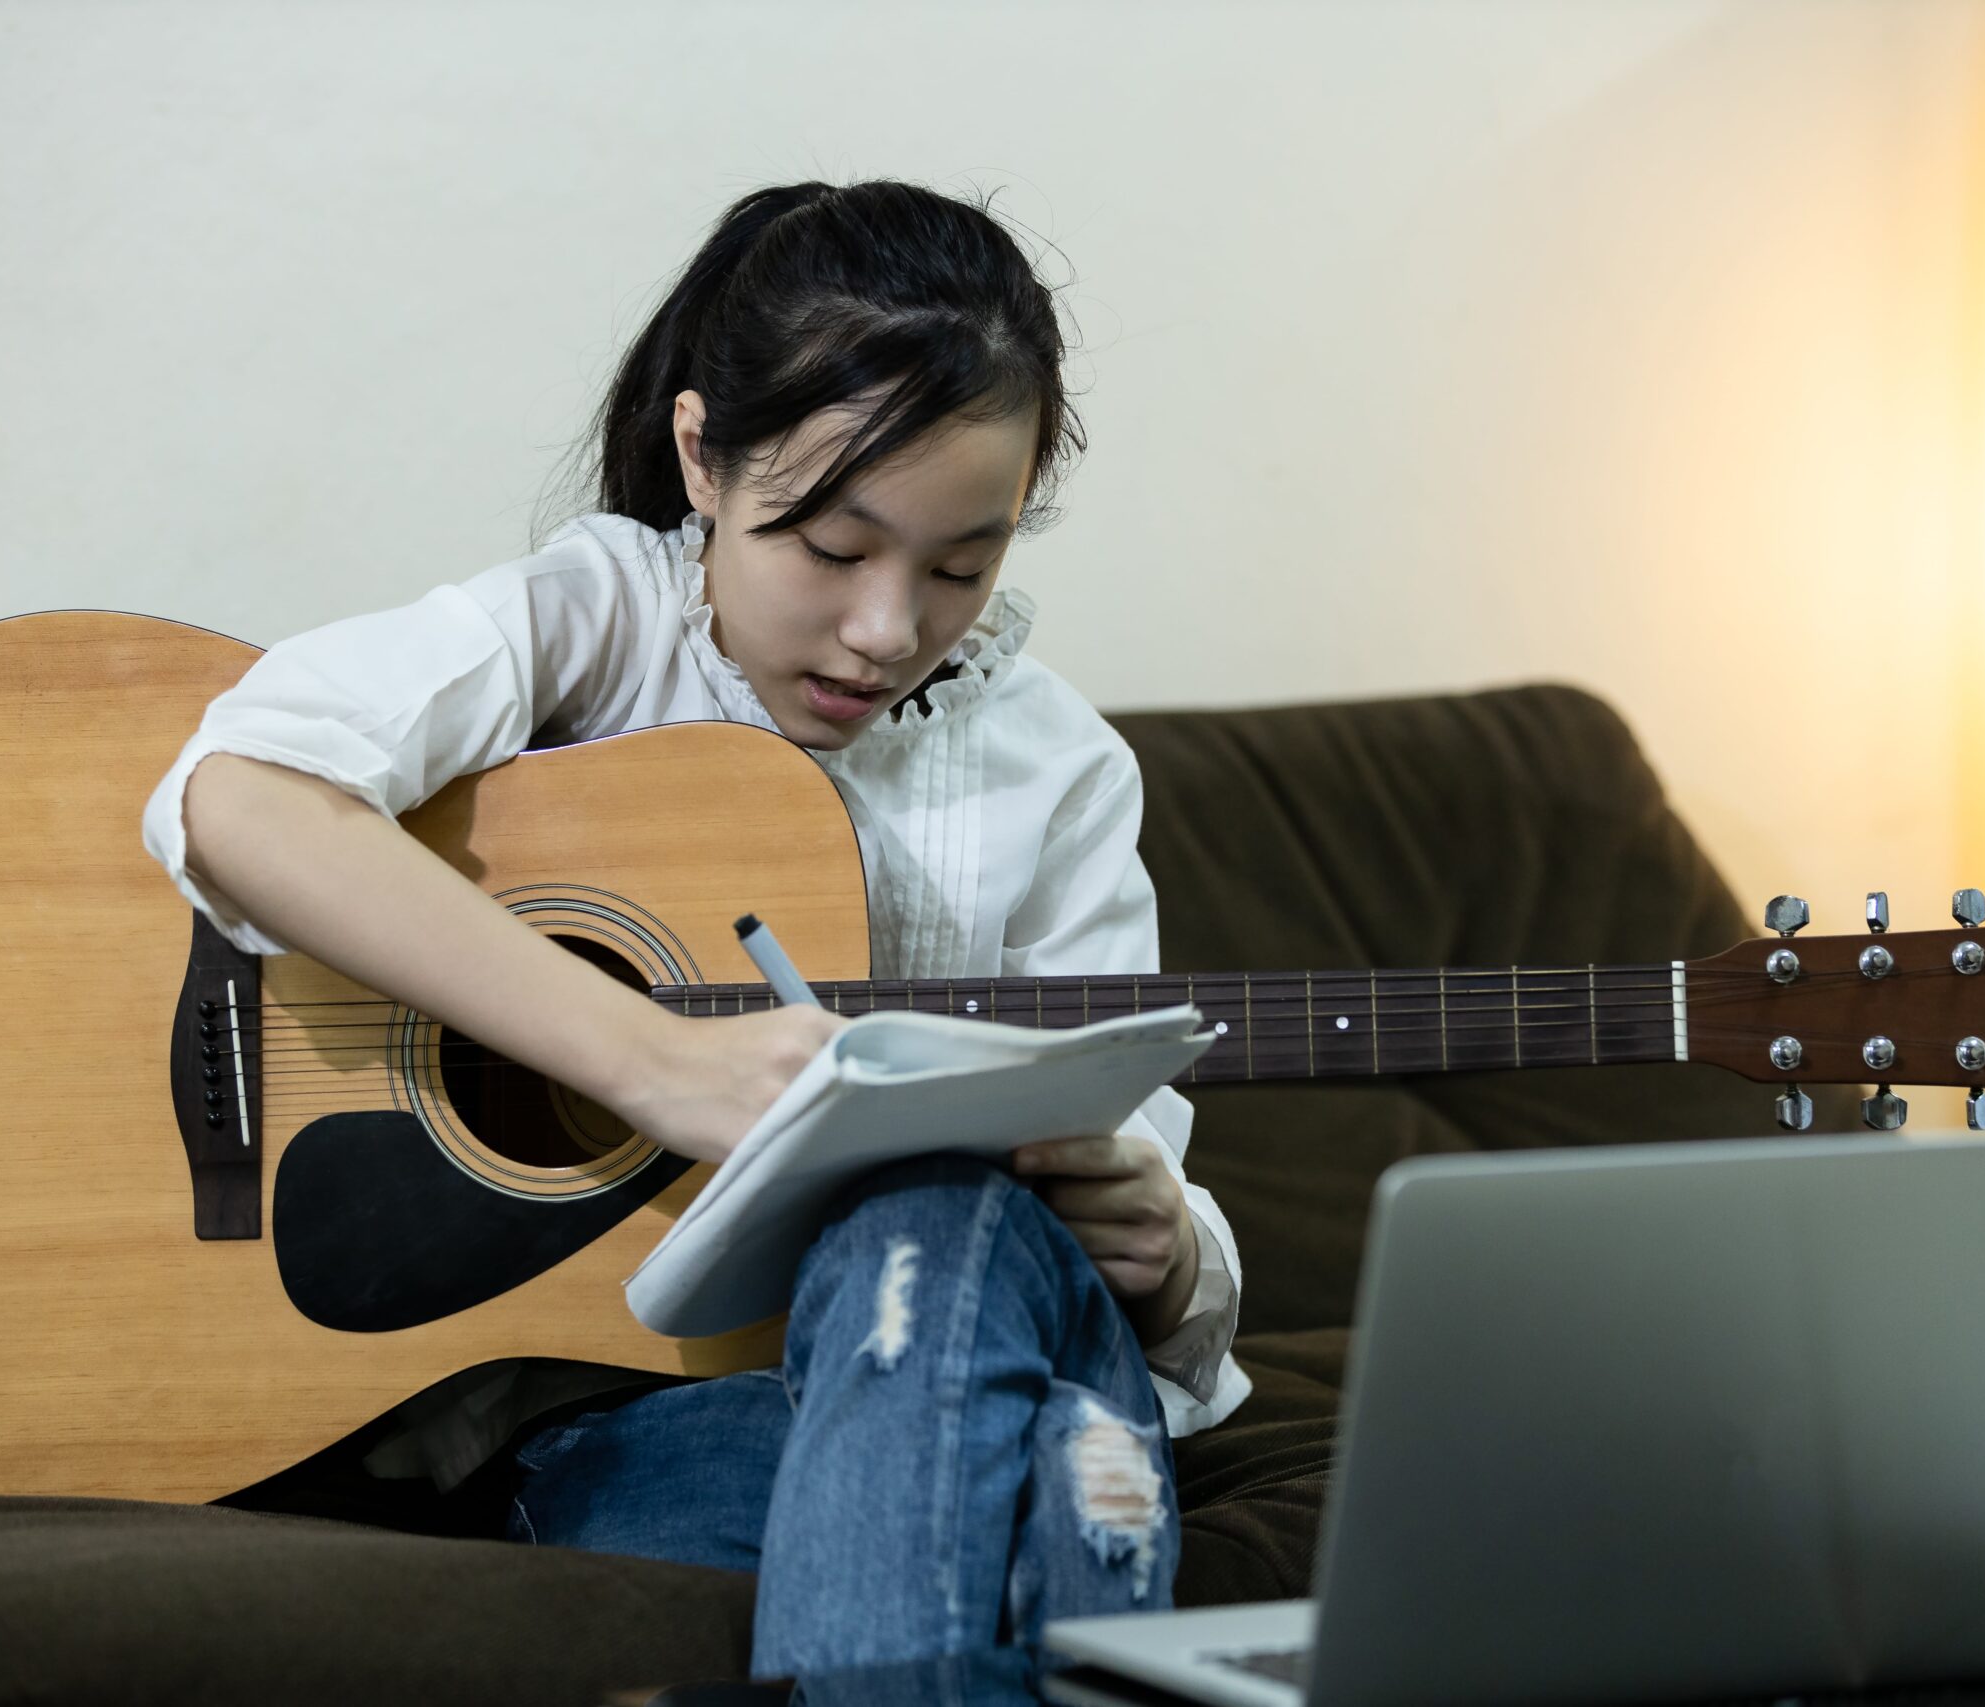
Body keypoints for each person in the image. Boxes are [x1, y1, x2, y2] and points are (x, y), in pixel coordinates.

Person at [140, 178, 1248, 1677]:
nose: (886, 628)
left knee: (934, 1210)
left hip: (1012, 1310)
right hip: (659, 1393)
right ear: (703, 460)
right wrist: (653, 1060)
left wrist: (1166, 1251)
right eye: (833, 548)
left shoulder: (1057, 771)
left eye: (963, 568)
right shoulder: (601, 623)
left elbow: (1140, 1163)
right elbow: (245, 795)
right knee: (1016, 1500)